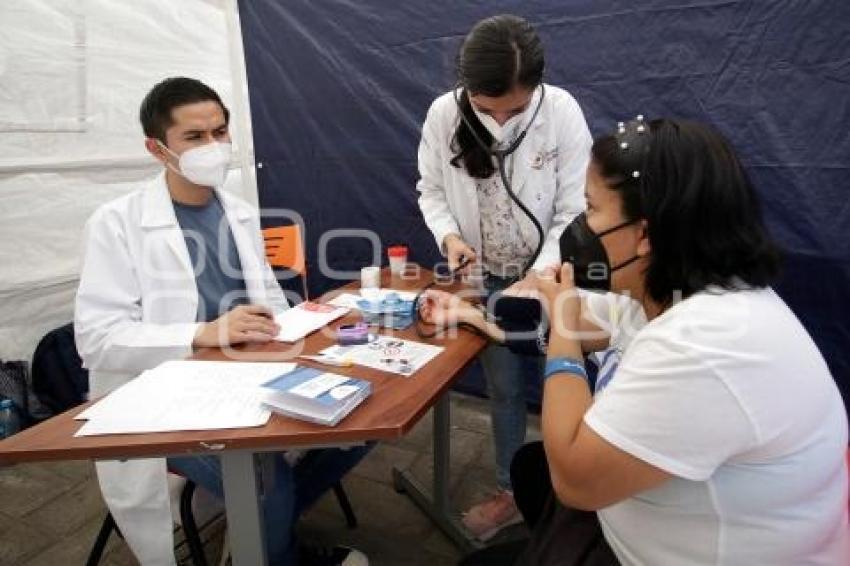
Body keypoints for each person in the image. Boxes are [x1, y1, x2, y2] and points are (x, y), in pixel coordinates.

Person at [422, 118, 850, 564]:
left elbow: (576, 480)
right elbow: (565, 318)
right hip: (643, 526)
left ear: (644, 234)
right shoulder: (673, 291)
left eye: (590, 210)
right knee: (532, 469)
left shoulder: (704, 346)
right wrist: (471, 314)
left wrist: (565, 331)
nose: (580, 228)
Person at [75, 77, 369, 566]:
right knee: (262, 478)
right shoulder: (116, 223)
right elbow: (97, 339)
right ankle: (275, 548)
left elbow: (271, 305)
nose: (213, 147)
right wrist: (200, 333)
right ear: (157, 148)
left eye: (220, 132)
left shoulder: (239, 211)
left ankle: (262, 539)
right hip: (160, 396)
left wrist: (316, 326)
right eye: (194, 137)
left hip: (246, 373)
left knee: (359, 422)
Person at [415, 14, 591, 539]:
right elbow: (431, 190)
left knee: (568, 380)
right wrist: (450, 239)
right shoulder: (444, 113)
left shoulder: (561, 112)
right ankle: (512, 490)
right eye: (485, 108)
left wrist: (538, 277)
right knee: (504, 387)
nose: (498, 120)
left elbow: (575, 207)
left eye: (513, 109)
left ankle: (573, 491)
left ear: (535, 86)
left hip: (554, 275)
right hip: (486, 275)